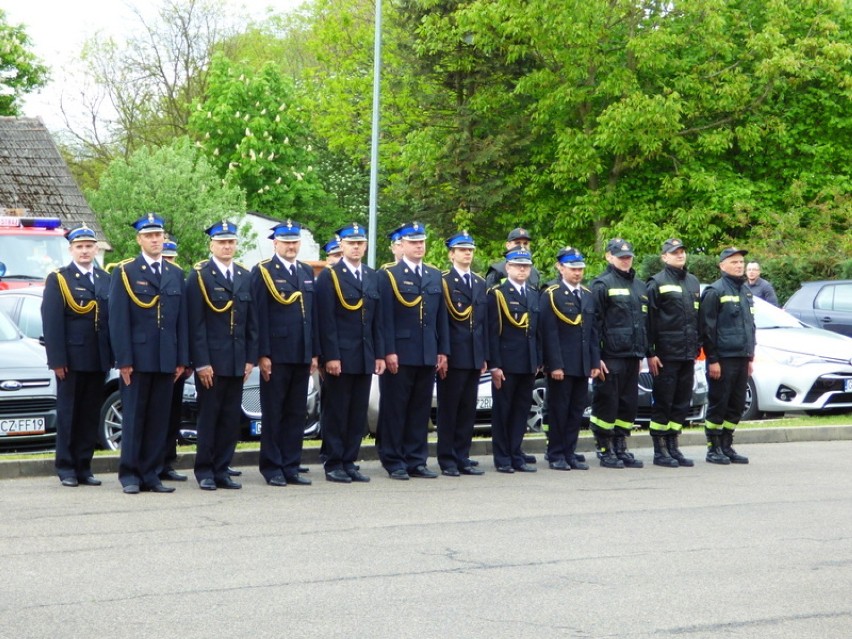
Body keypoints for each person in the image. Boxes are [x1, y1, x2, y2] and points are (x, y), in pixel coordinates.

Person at [109, 213, 189, 494]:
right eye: (149, 236)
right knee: (135, 418)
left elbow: (182, 321)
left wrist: (182, 359)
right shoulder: (125, 271)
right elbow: (118, 320)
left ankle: (152, 474)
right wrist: (124, 360)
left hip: (166, 358)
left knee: (158, 418)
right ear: (139, 239)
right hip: (138, 358)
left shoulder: (175, 273)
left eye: (159, 235)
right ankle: (130, 474)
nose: (156, 240)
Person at [186, 221, 258, 490]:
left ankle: (222, 468)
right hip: (212, 362)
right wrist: (202, 362)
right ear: (211, 245)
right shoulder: (200, 276)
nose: (227, 247)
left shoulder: (244, 276)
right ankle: (205, 470)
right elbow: (196, 324)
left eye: (231, 242)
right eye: (221, 242)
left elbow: (251, 321)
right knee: (209, 416)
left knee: (230, 418)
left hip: (237, 360)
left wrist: (250, 357)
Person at [378, 221, 449, 479]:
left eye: (422, 242)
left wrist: (442, 350)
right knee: (396, 409)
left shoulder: (433, 275)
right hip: (400, 351)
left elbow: (441, 317)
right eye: (413, 242)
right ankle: (394, 459)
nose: (419, 246)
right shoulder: (389, 275)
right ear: (402, 245)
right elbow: (384, 317)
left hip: (426, 351)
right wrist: (388, 350)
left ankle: (416, 459)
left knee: (420, 409)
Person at [41, 224, 111, 487]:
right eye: (79, 247)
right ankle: (66, 467)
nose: (84, 251)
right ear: (71, 250)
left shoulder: (105, 278)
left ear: (95, 248)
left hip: (98, 358)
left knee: (90, 414)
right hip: (71, 359)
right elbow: (52, 323)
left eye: (88, 246)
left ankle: (84, 466)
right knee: (69, 414)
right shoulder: (59, 279)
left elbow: (108, 320)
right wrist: (57, 360)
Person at [315, 223, 384, 483]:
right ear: (341, 245)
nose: (356, 247)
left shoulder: (371, 275)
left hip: (364, 354)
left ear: (365, 246)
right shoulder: (330, 276)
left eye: (360, 243)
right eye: (351, 243)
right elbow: (326, 319)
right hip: (341, 356)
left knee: (357, 412)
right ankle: (334, 462)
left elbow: (376, 319)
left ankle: (349, 460)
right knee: (337, 411)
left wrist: (378, 353)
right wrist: (330, 356)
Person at [251, 220, 318, 487]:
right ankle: (272, 467)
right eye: (286, 241)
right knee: (274, 412)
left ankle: (291, 465)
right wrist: (263, 353)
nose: (291, 246)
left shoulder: (305, 270)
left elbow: (311, 316)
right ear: (275, 243)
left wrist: (314, 352)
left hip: (301, 353)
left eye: (295, 241)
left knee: (295, 413)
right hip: (277, 354)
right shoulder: (264, 272)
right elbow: (259, 315)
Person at [589, 238, 648, 469]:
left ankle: (620, 445)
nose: (626, 260)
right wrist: (597, 357)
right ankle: (604, 447)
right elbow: (593, 324)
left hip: (633, 354)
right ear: (609, 257)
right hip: (610, 355)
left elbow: (646, 322)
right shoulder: (602, 285)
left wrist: (647, 351)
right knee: (607, 402)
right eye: (621, 257)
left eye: (628, 257)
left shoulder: (640, 286)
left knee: (628, 403)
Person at [540, 247, 600, 472]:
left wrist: (594, 362)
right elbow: (549, 332)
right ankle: (555, 453)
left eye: (580, 269)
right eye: (573, 268)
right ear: (560, 268)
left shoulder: (586, 294)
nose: (577, 273)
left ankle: (569, 451)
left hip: (582, 363)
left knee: (576, 411)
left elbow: (592, 332)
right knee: (558, 410)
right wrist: (554, 364)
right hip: (562, 365)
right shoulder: (552, 294)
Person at [436, 231, 488, 477]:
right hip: (454, 355)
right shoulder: (443, 280)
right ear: (452, 254)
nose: (467, 253)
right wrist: (443, 352)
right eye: (462, 249)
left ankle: (462, 456)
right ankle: (447, 459)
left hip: (474, 355)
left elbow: (482, 323)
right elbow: (442, 321)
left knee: (468, 409)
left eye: (470, 249)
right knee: (449, 409)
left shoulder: (479, 282)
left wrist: (484, 355)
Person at [646, 238, 701, 468]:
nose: (680, 255)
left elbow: (696, 320)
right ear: (664, 257)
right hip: (666, 354)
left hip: (688, 353)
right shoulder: (656, 283)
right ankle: (660, 451)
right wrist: (651, 352)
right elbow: (648, 320)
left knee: (681, 403)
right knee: (664, 402)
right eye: (674, 252)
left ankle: (673, 446)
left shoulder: (693, 282)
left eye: (682, 252)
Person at [699, 247, 756, 464]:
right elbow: (708, 329)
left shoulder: (745, 291)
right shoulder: (715, 291)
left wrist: (750, 356)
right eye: (734, 262)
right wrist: (712, 359)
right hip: (722, 359)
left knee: (737, 403)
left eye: (741, 261)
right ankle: (713, 448)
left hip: (742, 357)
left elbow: (750, 326)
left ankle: (726, 444)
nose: (739, 265)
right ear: (722, 266)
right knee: (719, 403)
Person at [487, 247, 541, 473]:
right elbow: (492, 333)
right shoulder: (497, 294)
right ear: (507, 268)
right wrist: (495, 365)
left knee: (520, 411)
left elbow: (536, 331)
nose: (522, 269)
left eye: (526, 266)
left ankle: (516, 453)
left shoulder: (532, 293)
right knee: (503, 412)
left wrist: (538, 359)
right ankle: (502, 457)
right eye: (518, 265)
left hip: (527, 362)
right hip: (507, 363)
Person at [158, 236, 189, 482]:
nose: (169, 262)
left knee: (171, 415)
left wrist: (185, 361)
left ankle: (167, 461)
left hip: (174, 359)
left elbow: (183, 323)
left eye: (171, 259)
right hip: (153, 356)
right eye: (165, 258)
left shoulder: (178, 277)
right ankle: (152, 463)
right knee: (153, 415)